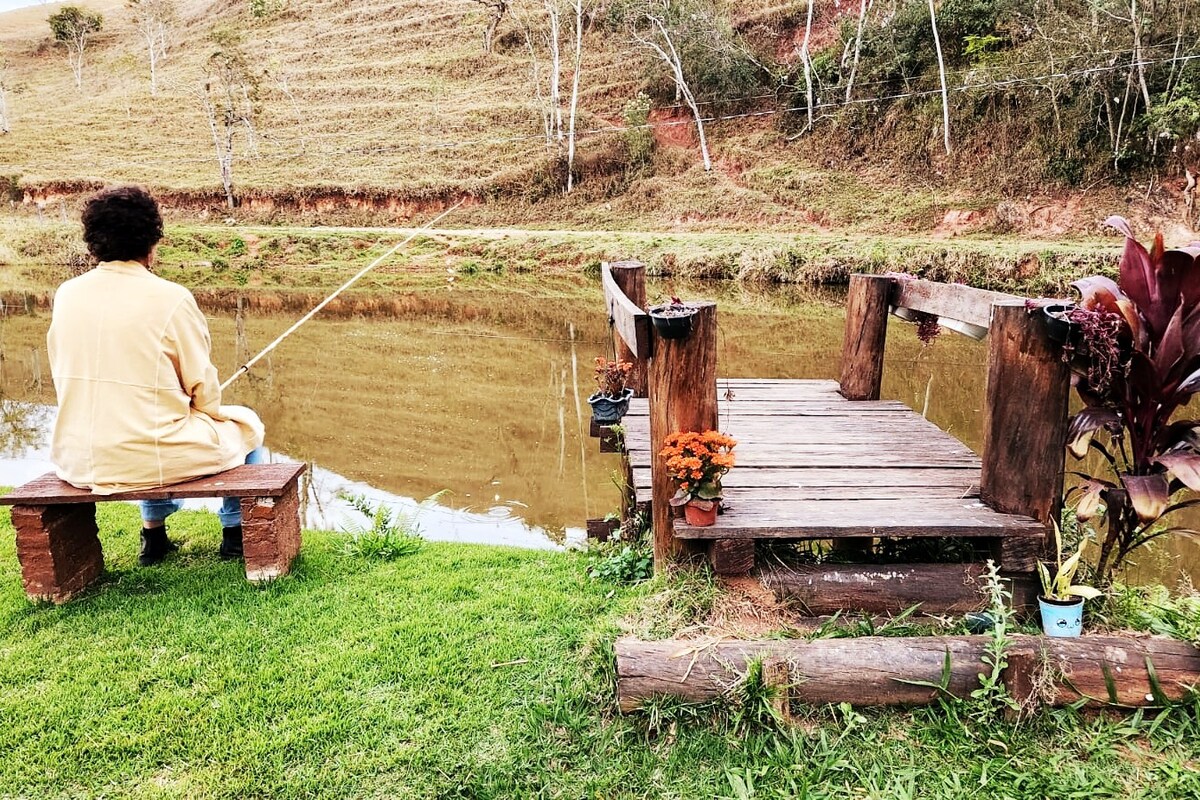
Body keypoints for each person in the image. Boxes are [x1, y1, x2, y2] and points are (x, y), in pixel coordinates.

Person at [47, 185, 265, 566]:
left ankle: (154, 537)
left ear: (93, 242)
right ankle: (236, 534)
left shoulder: (67, 293)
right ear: (152, 240)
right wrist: (204, 409)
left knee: (149, 420)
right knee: (248, 427)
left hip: (77, 457)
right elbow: (202, 388)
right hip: (145, 455)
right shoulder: (171, 297)